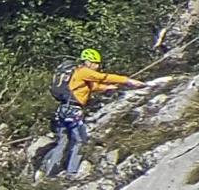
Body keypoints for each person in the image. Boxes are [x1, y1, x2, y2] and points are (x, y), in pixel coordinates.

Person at [41, 49, 146, 178]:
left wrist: (106, 88)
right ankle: (71, 172)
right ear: (89, 62)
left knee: (63, 142)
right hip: (73, 111)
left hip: (63, 110)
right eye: (96, 63)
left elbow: (92, 86)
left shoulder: (77, 73)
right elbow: (103, 77)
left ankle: (48, 173)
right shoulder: (84, 71)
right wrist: (127, 81)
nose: (98, 66)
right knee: (80, 141)